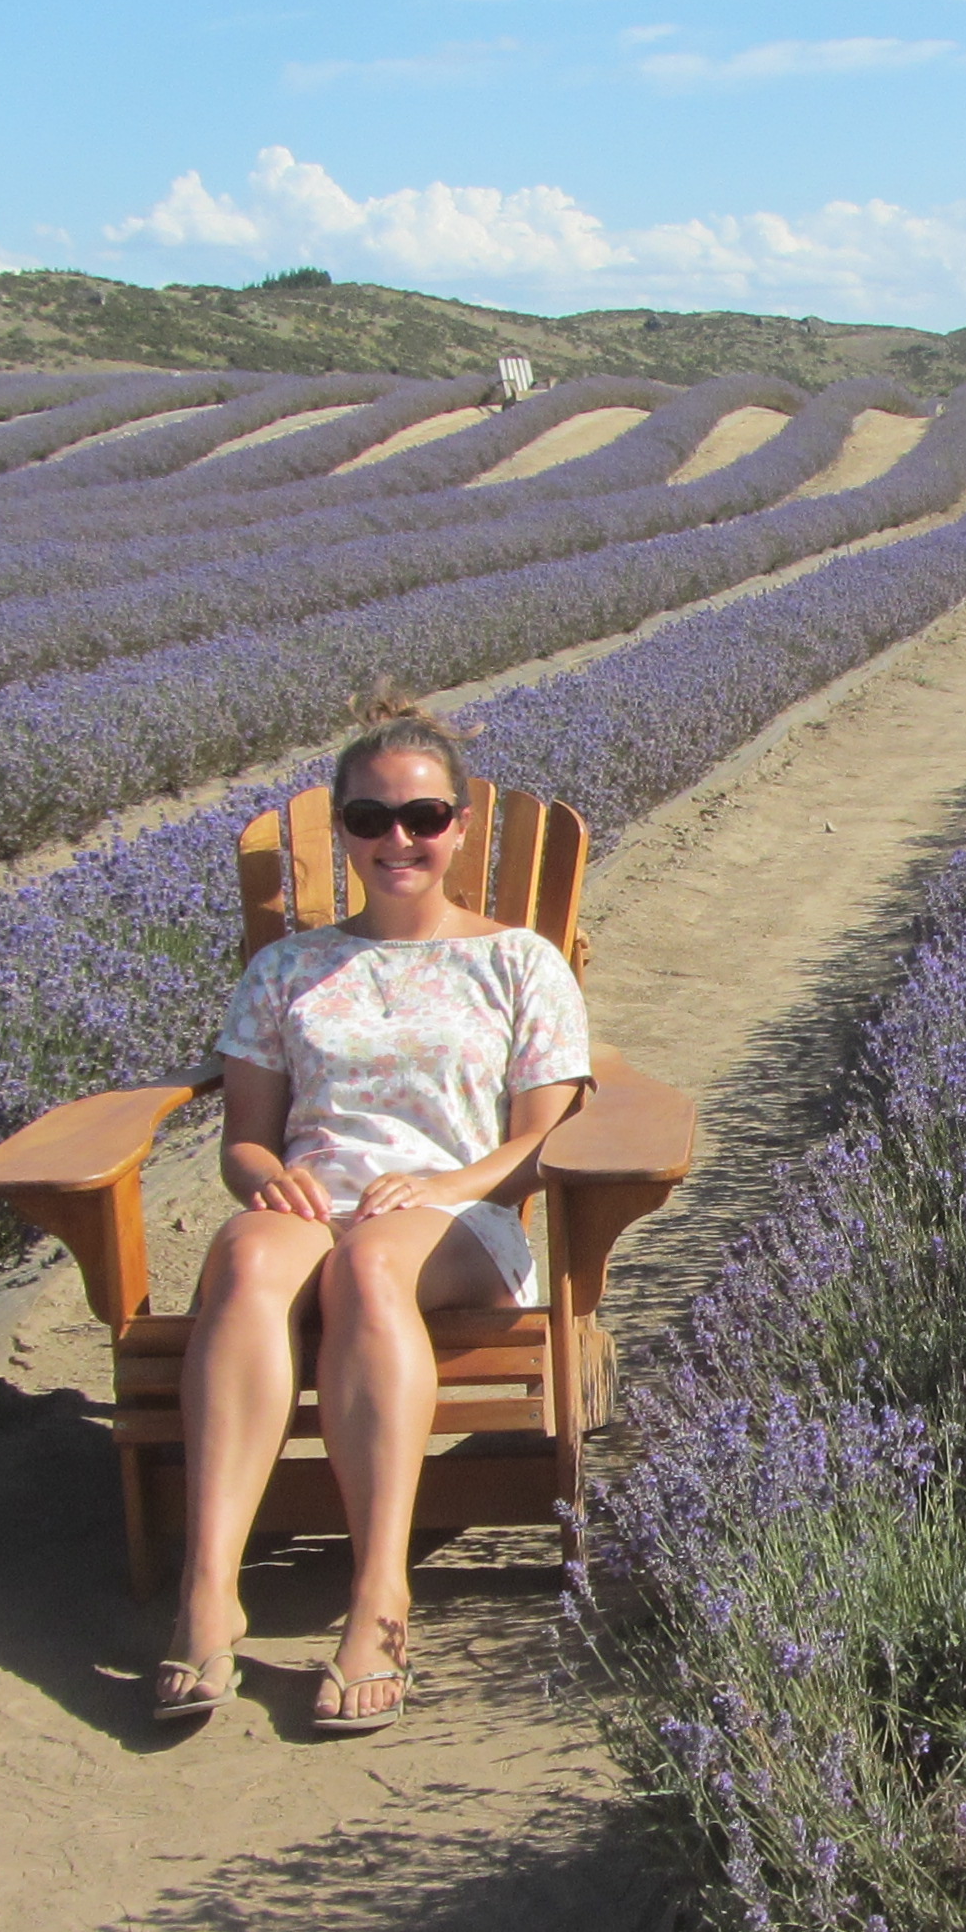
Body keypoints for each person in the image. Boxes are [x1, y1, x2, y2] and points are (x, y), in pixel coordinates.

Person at [155, 707, 592, 1732]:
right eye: (369, 817)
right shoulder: (285, 971)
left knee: (367, 1269)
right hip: (323, 1201)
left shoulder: (520, 963)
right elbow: (247, 1142)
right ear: (344, 832)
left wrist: (447, 1186)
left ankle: (377, 1594)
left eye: (422, 815)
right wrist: (269, 1180)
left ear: (461, 826)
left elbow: (541, 1139)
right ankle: (207, 1588)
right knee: (248, 1260)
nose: (398, 839)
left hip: (461, 1219)